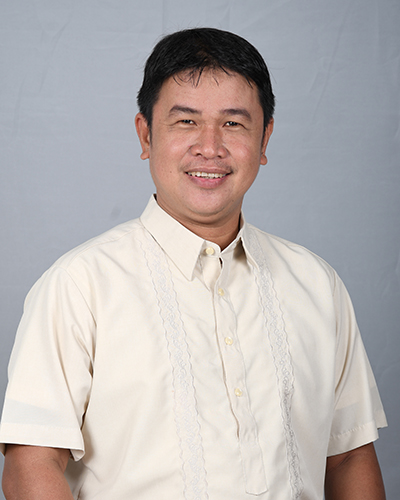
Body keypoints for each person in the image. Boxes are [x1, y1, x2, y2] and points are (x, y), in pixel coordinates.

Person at [0, 28, 387, 500]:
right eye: (186, 122)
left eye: (234, 124)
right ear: (146, 134)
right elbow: (30, 463)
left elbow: (348, 456)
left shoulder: (317, 284)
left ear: (264, 138)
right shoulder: (79, 286)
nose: (210, 147)